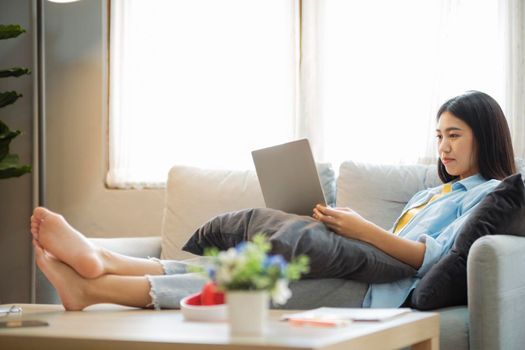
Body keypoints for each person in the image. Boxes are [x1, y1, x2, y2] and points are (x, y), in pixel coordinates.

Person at [31, 90, 516, 311]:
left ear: (486, 137)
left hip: (380, 293)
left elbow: (434, 258)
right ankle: (104, 263)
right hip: (362, 266)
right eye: (438, 135)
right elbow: (390, 242)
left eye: (454, 135)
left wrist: (363, 230)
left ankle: (99, 283)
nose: (444, 147)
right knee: (254, 266)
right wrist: (343, 227)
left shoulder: (491, 197)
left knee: (252, 285)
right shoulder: (433, 191)